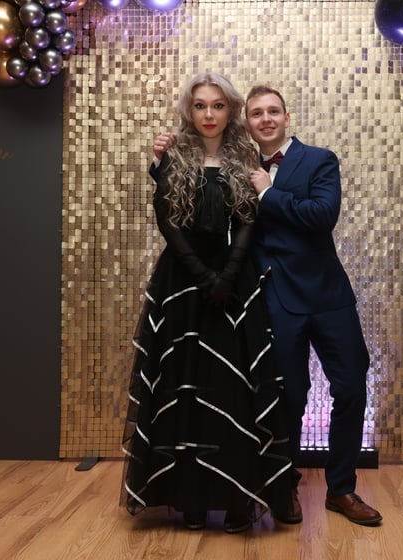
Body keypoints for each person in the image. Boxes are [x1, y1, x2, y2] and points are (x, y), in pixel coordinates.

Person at [121, 72, 292, 534]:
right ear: (189, 110)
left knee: (232, 388)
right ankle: (189, 498)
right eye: (200, 105)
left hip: (234, 283)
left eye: (217, 105)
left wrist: (228, 276)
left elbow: (250, 220)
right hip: (183, 279)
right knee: (184, 387)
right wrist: (202, 275)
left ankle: (237, 500)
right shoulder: (173, 153)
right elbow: (167, 220)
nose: (209, 114)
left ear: (230, 109)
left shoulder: (245, 154)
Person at [244, 85, 382, 527]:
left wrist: (268, 194)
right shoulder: (240, 167)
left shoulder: (319, 160)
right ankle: (284, 486)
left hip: (327, 296)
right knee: (289, 396)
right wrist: (161, 166)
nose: (266, 119)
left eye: (273, 111)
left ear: (287, 118)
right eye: (256, 113)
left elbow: (323, 215)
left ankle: (341, 489)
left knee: (351, 387)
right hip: (276, 298)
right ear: (247, 123)